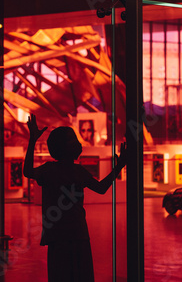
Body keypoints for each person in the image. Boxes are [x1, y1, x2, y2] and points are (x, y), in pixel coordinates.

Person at [23, 114, 127, 282]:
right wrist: (119, 167)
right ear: (66, 147)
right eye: (73, 141)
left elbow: (27, 171)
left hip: (57, 235)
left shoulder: (48, 170)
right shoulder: (78, 172)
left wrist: (33, 140)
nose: (79, 145)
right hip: (78, 233)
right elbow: (101, 188)